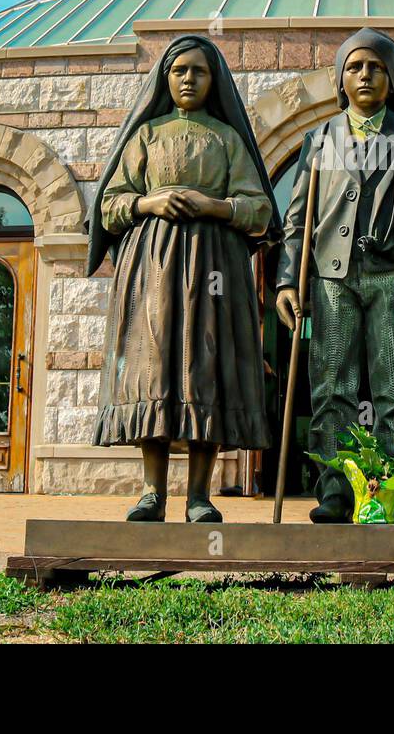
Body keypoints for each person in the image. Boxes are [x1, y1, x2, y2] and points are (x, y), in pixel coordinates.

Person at [86, 34, 279, 523]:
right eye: (179, 71)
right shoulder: (146, 137)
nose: (189, 79)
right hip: (151, 266)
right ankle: (152, 492)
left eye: (199, 71)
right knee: (153, 367)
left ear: (213, 81)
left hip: (214, 265)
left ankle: (199, 495)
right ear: (165, 78)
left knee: (205, 366)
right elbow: (107, 207)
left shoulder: (228, 139)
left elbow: (259, 210)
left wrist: (214, 206)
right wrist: (147, 202)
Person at [274, 27, 394, 524]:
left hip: (393, 278)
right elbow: (297, 219)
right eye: (354, 67)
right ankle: (334, 490)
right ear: (340, 78)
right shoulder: (319, 139)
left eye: (376, 67)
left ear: (391, 77)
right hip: (333, 279)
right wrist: (288, 281)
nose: (365, 75)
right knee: (332, 385)